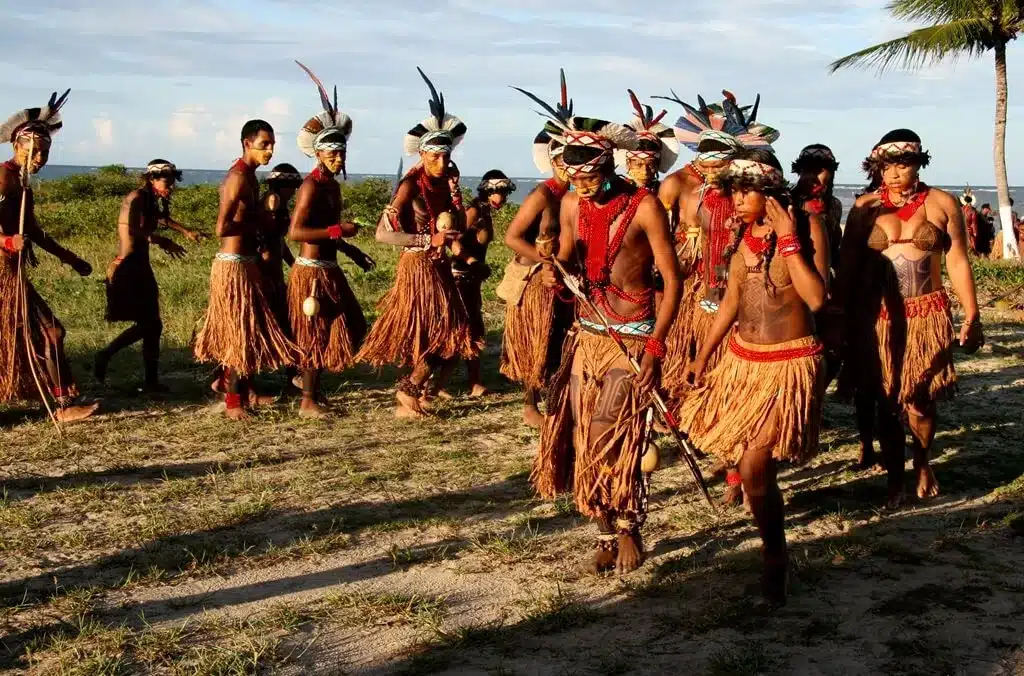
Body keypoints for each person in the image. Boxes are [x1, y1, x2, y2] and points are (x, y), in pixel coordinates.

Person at [530, 110, 682, 576]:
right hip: (588, 336)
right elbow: (572, 261)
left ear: (609, 164)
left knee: (613, 435)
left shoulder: (645, 207)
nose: (583, 185)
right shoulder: (573, 204)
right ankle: (603, 529)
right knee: (581, 435)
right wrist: (554, 270)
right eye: (575, 178)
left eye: (592, 175)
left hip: (631, 338)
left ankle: (630, 525)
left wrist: (656, 349)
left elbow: (672, 283)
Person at [682, 149, 830, 605]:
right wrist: (702, 355)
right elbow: (730, 302)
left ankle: (774, 559)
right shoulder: (743, 237)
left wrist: (789, 240)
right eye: (733, 190)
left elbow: (817, 298)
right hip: (742, 363)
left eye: (745, 190)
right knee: (752, 471)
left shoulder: (807, 228)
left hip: (787, 363)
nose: (736, 198)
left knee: (755, 467)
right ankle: (774, 548)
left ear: (768, 191)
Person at [835, 129, 983, 506]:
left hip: (926, 314)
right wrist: (840, 316)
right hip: (879, 316)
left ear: (919, 165)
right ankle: (894, 479)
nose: (897, 173)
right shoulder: (864, 208)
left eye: (905, 164)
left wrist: (972, 314)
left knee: (920, 398)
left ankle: (921, 461)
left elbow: (958, 260)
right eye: (889, 166)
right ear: (878, 169)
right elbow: (849, 267)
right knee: (885, 398)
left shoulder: (942, 203)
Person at [656, 90, 779, 505]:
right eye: (706, 155)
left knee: (736, 391)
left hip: (749, 311)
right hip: (707, 302)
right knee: (708, 383)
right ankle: (728, 462)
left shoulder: (754, 204)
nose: (712, 164)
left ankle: (738, 473)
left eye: (721, 156)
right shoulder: (695, 195)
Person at [356, 68, 476, 418]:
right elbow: (382, 233)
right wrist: (429, 238)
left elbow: (461, 225)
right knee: (440, 331)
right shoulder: (410, 186)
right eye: (434, 156)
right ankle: (408, 390)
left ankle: (417, 390)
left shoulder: (447, 182)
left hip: (439, 266)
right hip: (417, 266)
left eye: (446, 155)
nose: (441, 161)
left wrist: (455, 196)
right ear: (421, 155)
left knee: (453, 334)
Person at [0, 89, 98, 422]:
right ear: (18, 147)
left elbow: (35, 231)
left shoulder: (21, 182)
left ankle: (62, 403)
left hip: (13, 273)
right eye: (35, 152)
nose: (40, 159)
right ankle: (63, 405)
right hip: (3, 271)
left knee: (47, 333)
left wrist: (70, 258)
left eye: (45, 153)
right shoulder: (3, 179)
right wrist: (7, 242)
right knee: (50, 332)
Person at [193, 119, 298, 420]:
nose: (270, 150)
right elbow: (221, 228)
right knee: (240, 333)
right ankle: (233, 403)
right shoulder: (238, 178)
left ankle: (236, 387)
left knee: (247, 330)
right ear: (246, 143)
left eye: (272, 144)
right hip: (232, 266)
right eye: (265, 144)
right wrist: (261, 223)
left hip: (247, 263)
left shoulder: (251, 177)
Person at [284, 63, 369, 418]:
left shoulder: (331, 185)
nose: (338, 157)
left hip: (329, 267)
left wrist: (351, 250)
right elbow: (296, 232)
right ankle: (307, 400)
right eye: (331, 152)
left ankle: (304, 386)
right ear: (317, 153)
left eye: (341, 152)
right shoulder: (311, 186)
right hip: (310, 271)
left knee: (353, 324)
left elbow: (329, 227)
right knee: (315, 332)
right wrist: (338, 232)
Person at [502, 70, 574, 427]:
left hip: (561, 280)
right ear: (554, 161)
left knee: (560, 340)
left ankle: (555, 399)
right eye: (565, 160)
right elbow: (512, 238)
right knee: (539, 340)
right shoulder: (542, 194)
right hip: (535, 281)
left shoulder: (574, 196)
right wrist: (543, 260)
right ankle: (530, 405)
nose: (571, 167)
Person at [96, 160, 198, 392]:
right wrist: (159, 241)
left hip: (140, 266)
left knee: (152, 324)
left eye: (172, 183)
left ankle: (150, 380)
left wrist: (185, 231)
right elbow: (130, 230)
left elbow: (159, 220)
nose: (170, 187)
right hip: (128, 267)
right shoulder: (136, 197)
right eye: (167, 182)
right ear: (152, 179)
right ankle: (106, 354)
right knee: (150, 324)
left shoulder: (151, 199)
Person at [432, 169, 515, 399]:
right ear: (490, 192)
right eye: (502, 193)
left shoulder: (485, 211)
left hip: (471, 279)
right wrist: (472, 262)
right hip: (460, 277)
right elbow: (454, 241)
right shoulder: (473, 210)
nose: (505, 197)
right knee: (460, 329)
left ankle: (474, 382)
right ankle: (434, 384)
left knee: (474, 330)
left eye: (506, 193)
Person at [615, 90, 679, 194]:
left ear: (658, 165)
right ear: (628, 164)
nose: (645, 172)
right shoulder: (614, 193)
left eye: (650, 165)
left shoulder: (666, 192)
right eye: (638, 165)